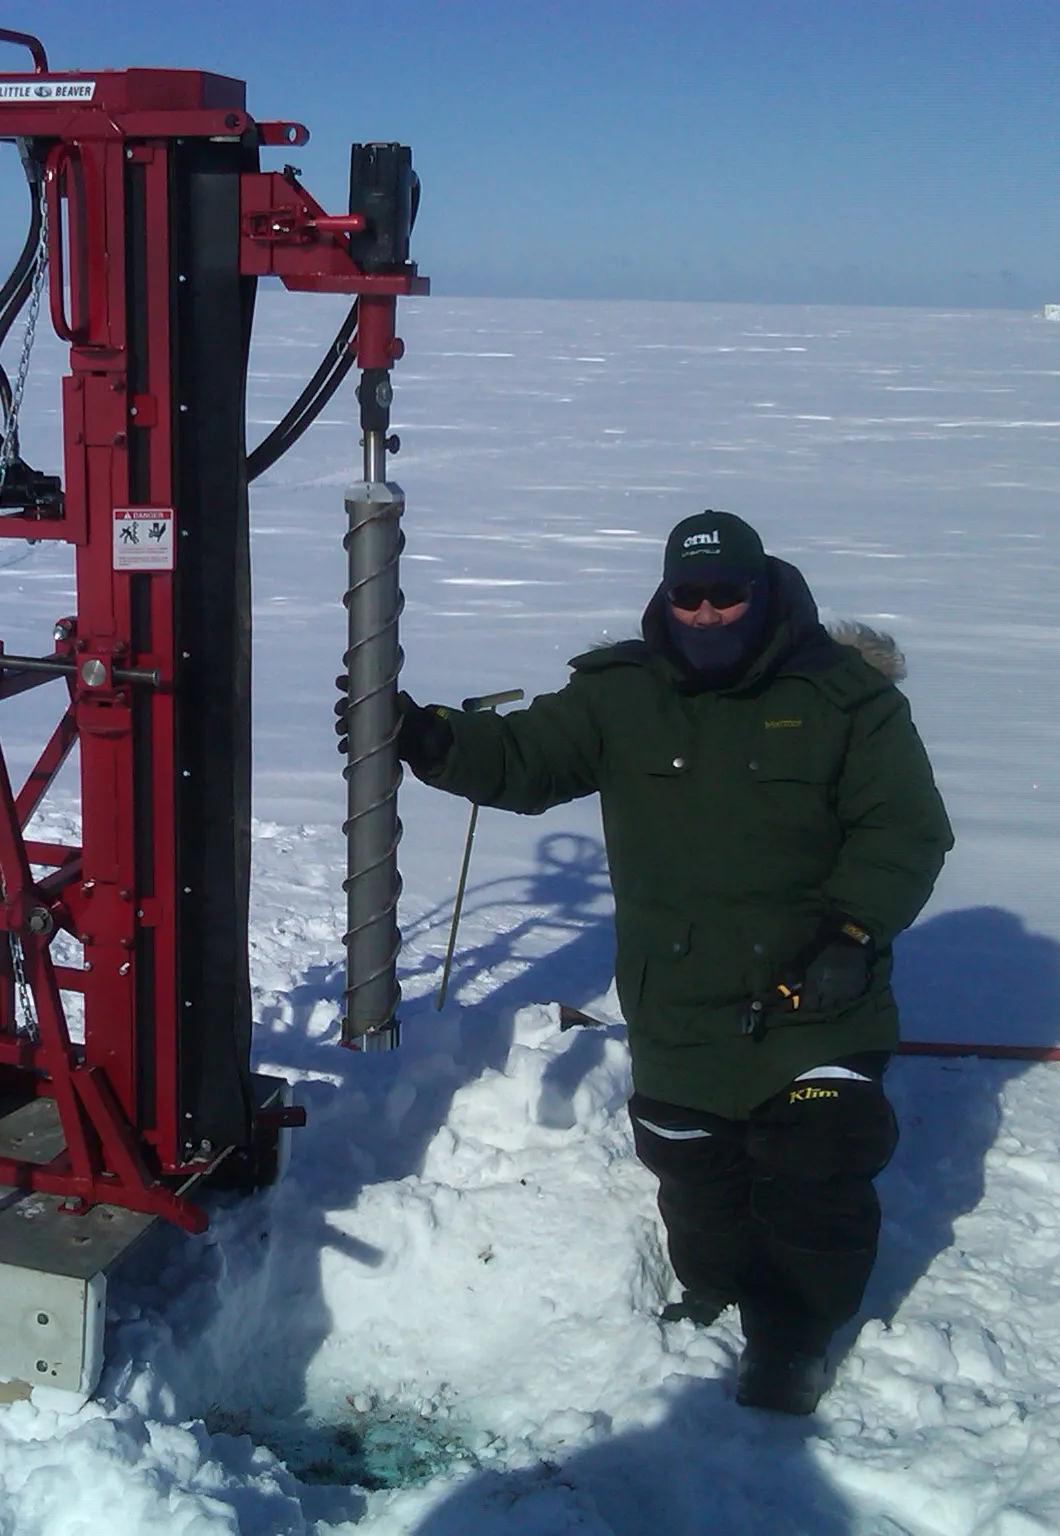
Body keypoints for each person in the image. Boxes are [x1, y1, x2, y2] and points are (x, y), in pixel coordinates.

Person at [385, 509, 953, 1414]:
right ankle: (714, 1283)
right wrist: (430, 739)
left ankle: (793, 1338)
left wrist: (853, 932)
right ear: (667, 596)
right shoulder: (622, 694)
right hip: (679, 994)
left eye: (728, 594)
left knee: (818, 1166)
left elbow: (905, 830)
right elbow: (527, 759)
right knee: (692, 1166)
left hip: (815, 992)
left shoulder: (844, 697)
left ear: (761, 591)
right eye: (690, 595)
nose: (708, 612)